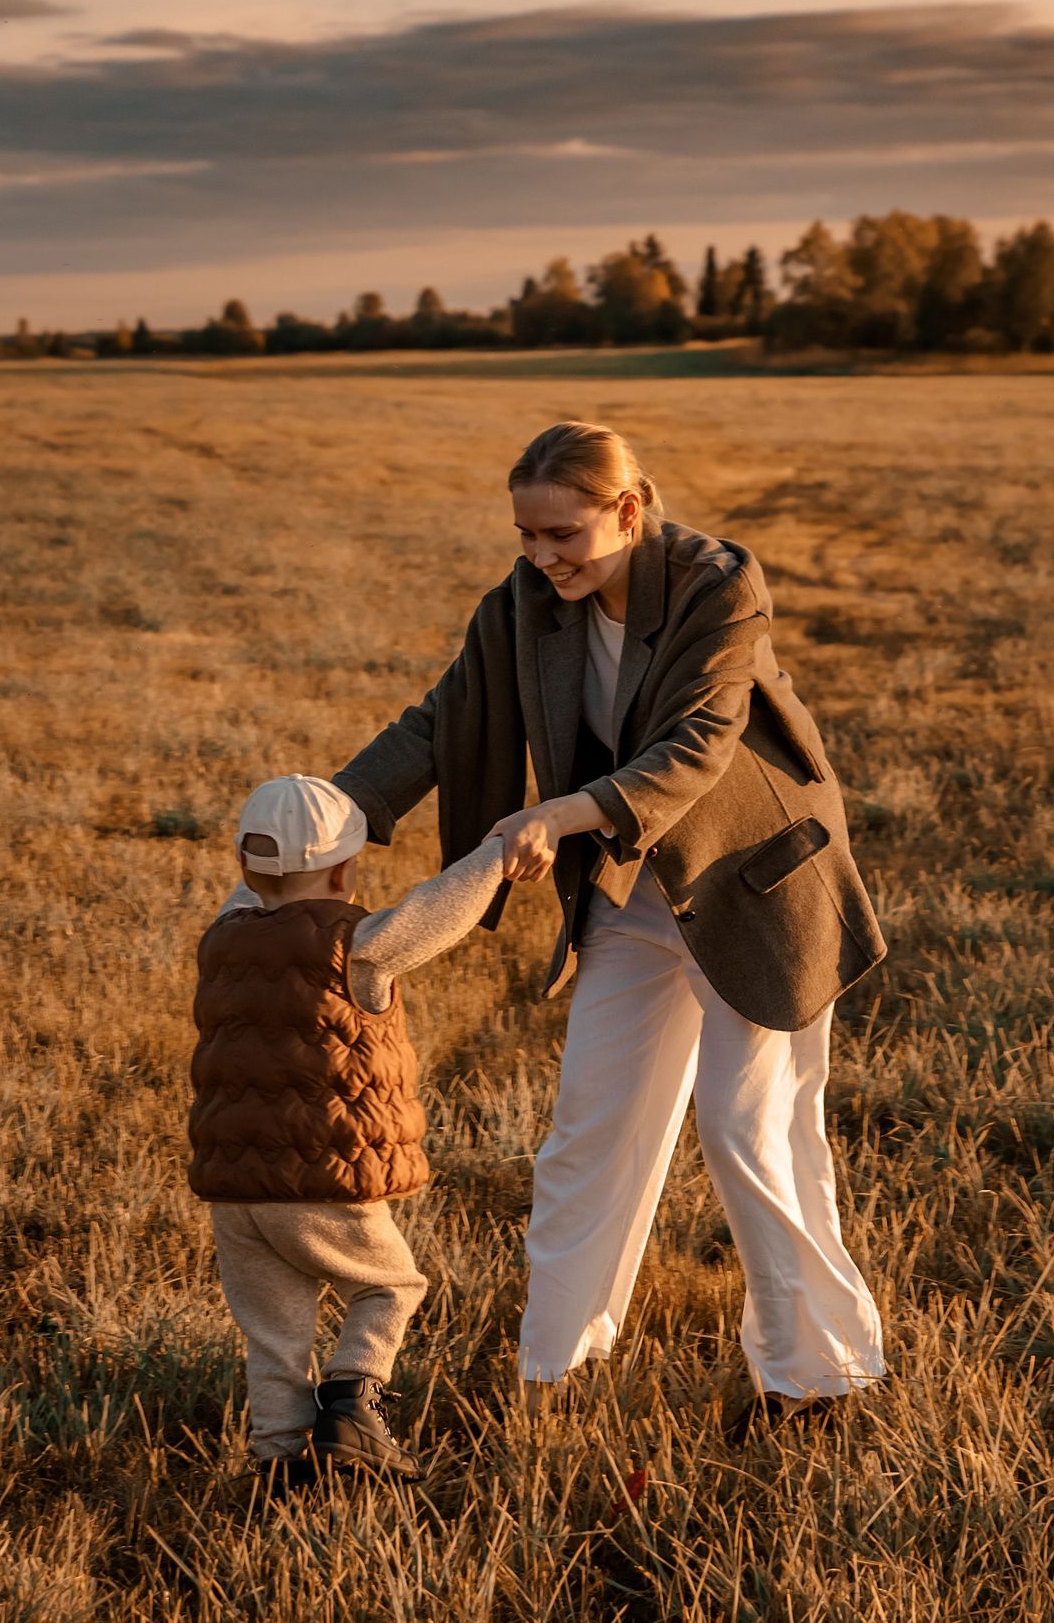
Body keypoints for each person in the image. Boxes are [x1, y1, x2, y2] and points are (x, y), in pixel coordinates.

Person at [332, 422, 888, 1435]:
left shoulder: (720, 585)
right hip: (628, 894)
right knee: (587, 1131)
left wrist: (559, 814)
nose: (541, 558)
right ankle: (556, 1368)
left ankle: (819, 1381)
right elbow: (442, 719)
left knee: (748, 1128)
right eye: (526, 536)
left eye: (562, 535)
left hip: (753, 885)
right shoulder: (523, 603)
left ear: (626, 511)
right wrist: (331, 813)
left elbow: (698, 744)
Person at [190, 774, 505, 1485]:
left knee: (274, 1333)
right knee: (390, 1285)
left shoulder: (225, 933)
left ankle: (277, 1463)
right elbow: (434, 912)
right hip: (320, 1182)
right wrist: (495, 855)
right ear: (344, 869)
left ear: (245, 867)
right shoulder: (357, 943)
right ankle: (354, 1404)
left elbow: (260, 893)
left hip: (235, 1192)